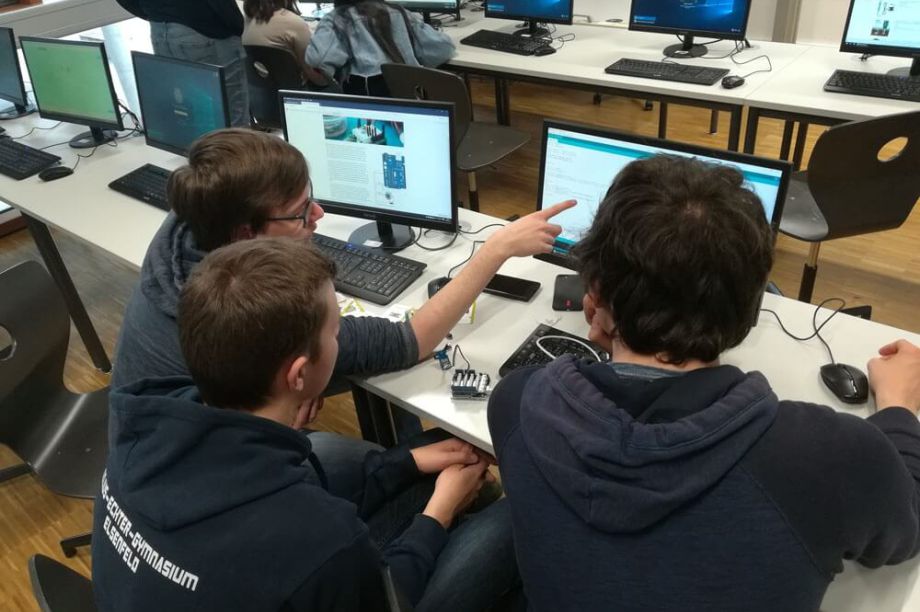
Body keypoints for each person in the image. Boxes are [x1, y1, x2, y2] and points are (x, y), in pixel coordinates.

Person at [488, 155, 920, 612]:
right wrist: (898, 405)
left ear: (592, 301)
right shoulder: (829, 456)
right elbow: (905, 529)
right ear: (751, 306)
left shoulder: (517, 403)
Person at [111, 127, 572, 494]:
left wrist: (298, 378)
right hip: (220, 482)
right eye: (299, 212)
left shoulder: (191, 224)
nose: (318, 215)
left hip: (156, 453)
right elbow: (410, 340)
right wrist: (494, 251)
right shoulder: (254, 313)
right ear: (245, 234)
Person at [93, 237, 519, 611]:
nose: (342, 337)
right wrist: (438, 514)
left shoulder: (142, 422)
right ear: (298, 375)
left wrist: (405, 462)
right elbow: (387, 595)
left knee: (380, 466)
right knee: (510, 523)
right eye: (336, 330)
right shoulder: (319, 537)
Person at [115, 0, 249, 126]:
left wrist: (156, 13)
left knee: (188, 113)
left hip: (161, 32)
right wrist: (234, 24)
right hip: (203, 30)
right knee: (232, 119)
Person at [306, 0, 455, 96]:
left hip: (365, 108)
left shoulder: (336, 19)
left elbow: (317, 61)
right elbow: (443, 48)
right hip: (409, 102)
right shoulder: (399, 12)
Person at [242, 0, 328, 86]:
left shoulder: (246, 20)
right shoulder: (294, 22)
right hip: (295, 88)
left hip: (262, 88)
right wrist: (327, 83)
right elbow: (310, 69)